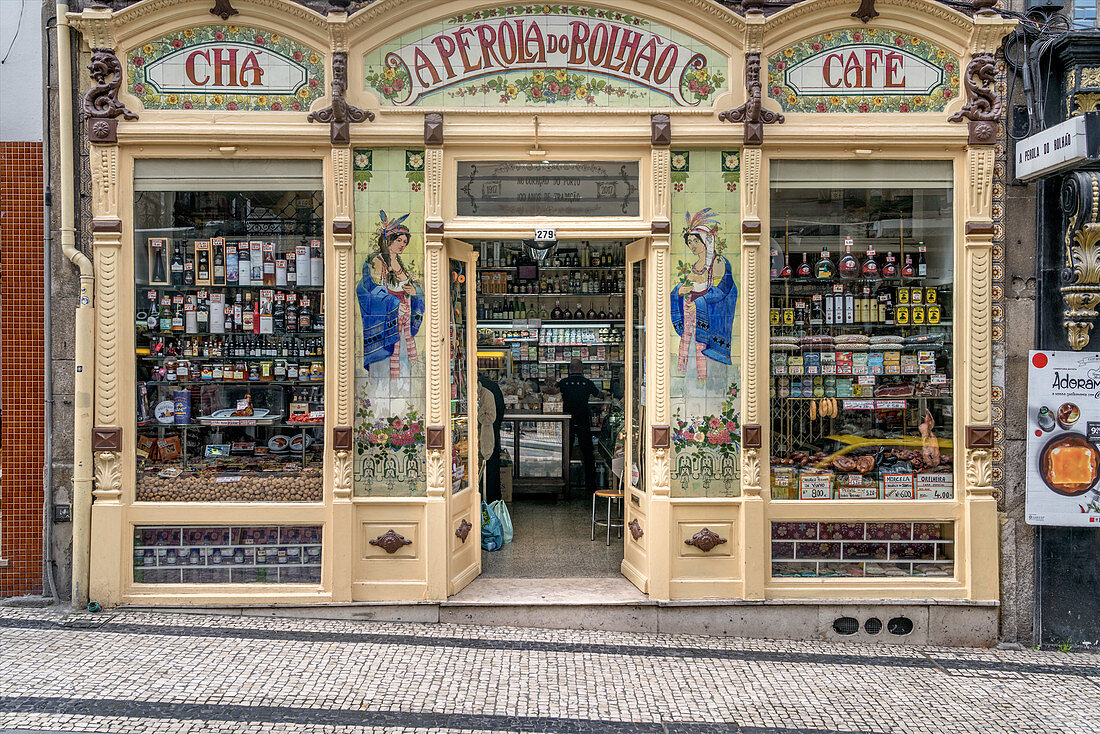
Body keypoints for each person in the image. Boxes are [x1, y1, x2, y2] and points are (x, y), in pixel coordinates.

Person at [671, 208, 738, 382]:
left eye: (695, 241)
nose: (692, 246)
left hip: (704, 312)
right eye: (690, 242)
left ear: (706, 241)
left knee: (700, 345)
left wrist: (700, 302)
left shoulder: (718, 262)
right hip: (689, 310)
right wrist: (679, 291)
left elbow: (722, 289)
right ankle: (681, 376)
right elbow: (687, 286)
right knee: (685, 342)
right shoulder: (695, 265)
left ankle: (703, 379)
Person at [356, 211, 424, 375]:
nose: (402, 244)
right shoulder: (377, 261)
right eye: (399, 240)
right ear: (389, 241)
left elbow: (411, 289)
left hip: (403, 324)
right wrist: (394, 304)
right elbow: (369, 291)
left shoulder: (399, 263)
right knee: (386, 371)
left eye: (405, 242)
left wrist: (416, 292)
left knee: (403, 369)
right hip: (388, 324)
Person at [557, 358, 601, 495]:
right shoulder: (587, 383)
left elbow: (554, 392)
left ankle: (565, 483)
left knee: (566, 452)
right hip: (583, 421)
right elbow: (598, 394)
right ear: (581, 368)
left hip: (567, 421)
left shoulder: (564, 383)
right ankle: (591, 485)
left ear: (570, 369)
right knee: (588, 453)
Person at [478, 373, 505, 503]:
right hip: (491, 435)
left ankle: (482, 504)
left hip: (484, 434)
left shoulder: (485, 390)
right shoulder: (493, 386)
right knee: (491, 470)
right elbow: (500, 413)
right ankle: (492, 503)